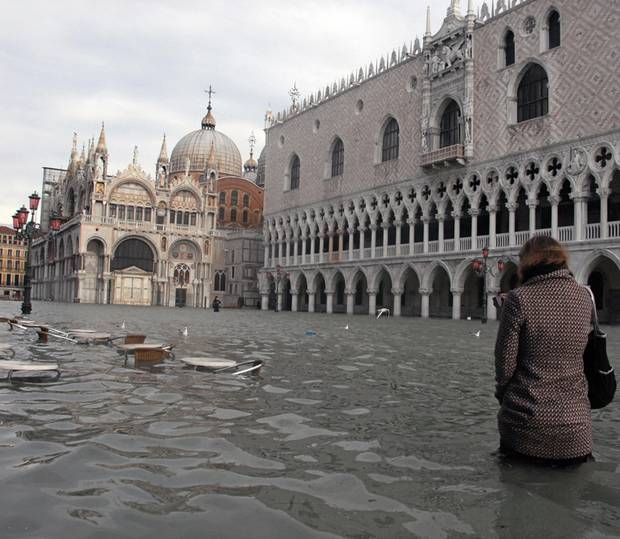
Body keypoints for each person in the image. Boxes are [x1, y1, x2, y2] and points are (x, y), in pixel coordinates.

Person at [495, 236, 593, 466]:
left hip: (526, 428)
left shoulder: (519, 298)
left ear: (527, 262)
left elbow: (505, 365)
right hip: (577, 432)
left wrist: (503, 396)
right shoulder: (585, 297)